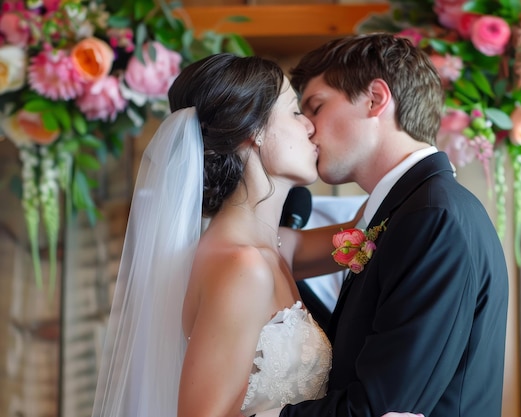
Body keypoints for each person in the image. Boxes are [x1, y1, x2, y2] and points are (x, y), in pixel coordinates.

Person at [90, 52, 423, 417]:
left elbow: (367, 229)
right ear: (255, 130)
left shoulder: (277, 246)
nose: (310, 126)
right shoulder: (241, 266)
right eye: (296, 111)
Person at [262, 33, 510, 417]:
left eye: (316, 106)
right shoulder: (404, 212)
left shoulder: (431, 218)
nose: (307, 128)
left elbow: (379, 408)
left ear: (376, 99)